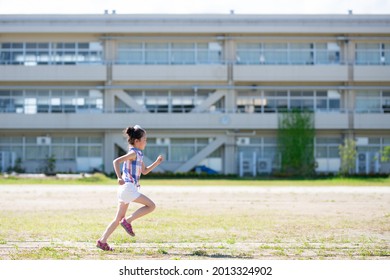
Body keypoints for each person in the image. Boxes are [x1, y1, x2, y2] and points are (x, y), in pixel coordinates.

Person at [97, 125, 163, 251]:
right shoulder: (133, 153)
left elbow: (144, 171)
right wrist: (118, 177)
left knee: (117, 219)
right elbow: (116, 161)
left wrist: (156, 163)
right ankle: (128, 221)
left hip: (125, 190)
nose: (146, 142)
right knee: (151, 206)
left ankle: (102, 241)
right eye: (144, 139)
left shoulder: (138, 154)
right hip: (128, 188)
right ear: (137, 141)